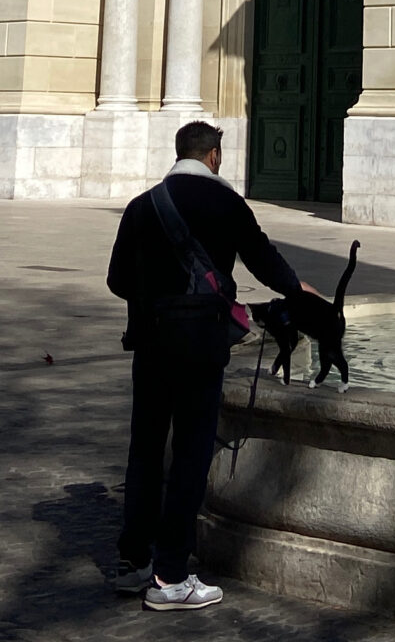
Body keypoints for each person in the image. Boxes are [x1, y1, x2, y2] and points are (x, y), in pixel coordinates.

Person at [104, 121, 324, 612]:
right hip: (201, 345)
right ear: (215, 156)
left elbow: (117, 279)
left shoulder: (144, 205)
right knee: (190, 453)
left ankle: (132, 563)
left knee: (144, 450)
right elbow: (263, 259)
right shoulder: (227, 204)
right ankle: (171, 576)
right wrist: (297, 289)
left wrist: (155, 297)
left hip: (151, 342)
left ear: (179, 152)